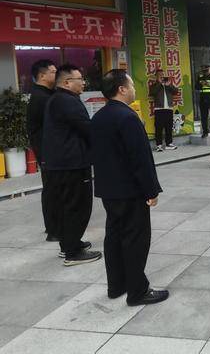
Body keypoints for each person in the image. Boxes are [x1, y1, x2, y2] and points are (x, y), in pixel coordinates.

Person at [91, 69, 169, 305]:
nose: (135, 89)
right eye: (132, 85)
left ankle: (117, 285)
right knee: (135, 239)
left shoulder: (99, 117)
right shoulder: (127, 117)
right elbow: (140, 159)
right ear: (122, 89)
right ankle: (137, 291)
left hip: (109, 190)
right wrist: (151, 190)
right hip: (130, 191)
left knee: (114, 237)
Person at [42, 64, 101, 266]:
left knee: (67, 205)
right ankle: (72, 252)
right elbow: (87, 128)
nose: (83, 82)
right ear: (67, 82)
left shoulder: (57, 99)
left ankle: (69, 244)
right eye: (80, 79)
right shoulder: (67, 101)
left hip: (60, 163)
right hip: (72, 164)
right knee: (78, 206)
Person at [26, 59, 57, 241]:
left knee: (53, 188)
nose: (56, 74)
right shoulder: (41, 98)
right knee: (53, 189)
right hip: (47, 151)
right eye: (53, 72)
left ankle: (54, 227)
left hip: (48, 150)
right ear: (42, 75)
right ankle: (53, 230)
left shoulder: (46, 94)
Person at [149, 69, 178, 152]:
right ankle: (159, 145)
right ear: (156, 76)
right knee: (159, 128)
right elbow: (152, 93)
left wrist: (169, 85)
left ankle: (169, 143)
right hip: (159, 109)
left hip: (169, 108)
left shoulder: (168, 84)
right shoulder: (154, 85)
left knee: (169, 127)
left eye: (162, 74)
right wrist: (159, 83)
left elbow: (175, 91)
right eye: (160, 75)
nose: (162, 76)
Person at [196, 65, 210, 138]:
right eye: (203, 71)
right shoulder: (200, 77)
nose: (205, 73)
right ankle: (205, 132)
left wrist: (208, 84)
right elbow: (196, 87)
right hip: (203, 99)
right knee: (204, 117)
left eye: (206, 71)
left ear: (209, 69)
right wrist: (200, 84)